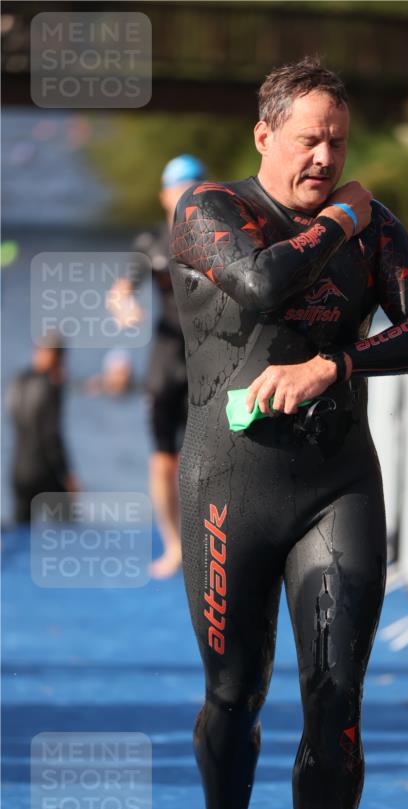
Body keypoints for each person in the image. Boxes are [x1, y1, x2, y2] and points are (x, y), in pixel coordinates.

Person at [169, 57, 408, 809]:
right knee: (235, 696)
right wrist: (340, 221)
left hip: (336, 485)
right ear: (264, 136)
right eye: (308, 140)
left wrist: (337, 365)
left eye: (338, 142)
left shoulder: (374, 227)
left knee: (336, 700)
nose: (325, 158)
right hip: (228, 488)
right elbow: (260, 286)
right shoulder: (209, 210)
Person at [106, 155, 206, 578]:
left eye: (193, 190)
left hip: (209, 360)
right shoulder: (150, 242)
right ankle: (173, 544)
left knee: (204, 461)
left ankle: (208, 542)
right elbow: (120, 290)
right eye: (178, 190)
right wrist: (124, 307)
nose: (185, 198)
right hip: (167, 359)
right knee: (163, 459)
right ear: (164, 196)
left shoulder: (220, 240)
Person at [7, 332, 78, 523]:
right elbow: (51, 435)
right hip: (44, 471)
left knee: (21, 530)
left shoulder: (17, 381)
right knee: (68, 529)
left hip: (18, 470)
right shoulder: (51, 385)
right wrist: (67, 475)